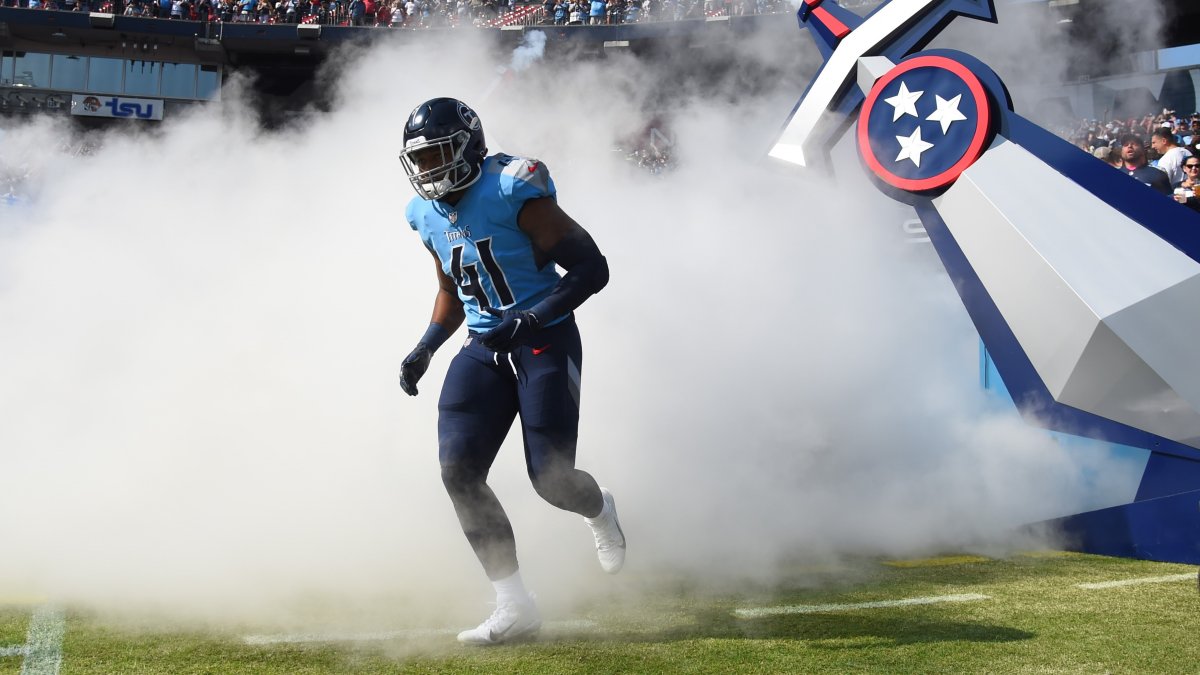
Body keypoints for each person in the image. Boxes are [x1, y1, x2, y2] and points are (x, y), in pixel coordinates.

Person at [396, 98, 626, 646]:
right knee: (458, 471)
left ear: (468, 146)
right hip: (483, 346)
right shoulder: (422, 212)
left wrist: (527, 320)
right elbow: (453, 289)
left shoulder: (510, 187)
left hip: (543, 339)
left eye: (437, 156)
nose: (428, 171)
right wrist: (426, 346)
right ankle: (514, 604)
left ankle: (599, 508)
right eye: (420, 161)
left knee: (551, 479)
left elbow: (592, 268)